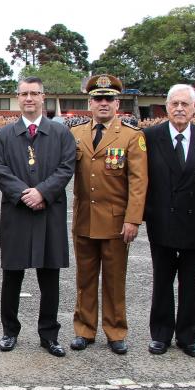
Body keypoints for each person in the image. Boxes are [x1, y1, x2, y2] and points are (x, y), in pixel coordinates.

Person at [0, 77, 75, 357]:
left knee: (49, 277)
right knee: (12, 275)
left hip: (49, 212)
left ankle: (49, 334)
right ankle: (9, 331)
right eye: (24, 93)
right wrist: (24, 193)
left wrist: (42, 193)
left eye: (34, 93)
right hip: (16, 213)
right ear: (18, 97)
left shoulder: (61, 134)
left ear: (43, 97)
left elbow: (66, 167)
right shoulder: (3, 135)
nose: (29, 98)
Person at [143, 84, 195, 357]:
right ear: (166, 108)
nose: (179, 109)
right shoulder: (150, 137)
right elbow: (140, 181)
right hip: (162, 220)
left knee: (191, 282)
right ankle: (161, 335)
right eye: (174, 104)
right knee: (162, 281)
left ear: (194, 108)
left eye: (184, 104)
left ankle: (188, 336)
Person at [69, 74, 148, 354]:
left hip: (116, 221)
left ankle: (115, 331)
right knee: (85, 278)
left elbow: (139, 182)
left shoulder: (131, 136)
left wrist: (132, 219)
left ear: (117, 103)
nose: (103, 103)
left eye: (109, 99)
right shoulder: (75, 134)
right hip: (84, 218)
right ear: (90, 103)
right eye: (98, 99)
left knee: (115, 279)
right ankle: (84, 330)